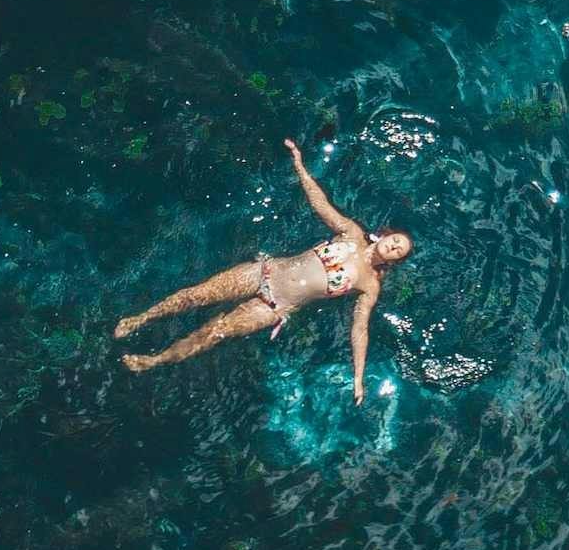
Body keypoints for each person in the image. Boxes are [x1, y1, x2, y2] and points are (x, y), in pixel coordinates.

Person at [114, 138, 411, 402]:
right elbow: (320, 204)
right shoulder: (351, 232)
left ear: (393, 261)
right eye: (396, 241)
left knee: (215, 332)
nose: (394, 247)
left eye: (399, 251)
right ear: (385, 235)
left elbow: (360, 328)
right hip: (265, 271)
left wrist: (358, 377)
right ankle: (141, 318)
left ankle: (156, 360)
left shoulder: (370, 284)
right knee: (196, 295)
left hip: (273, 307)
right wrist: (300, 164)